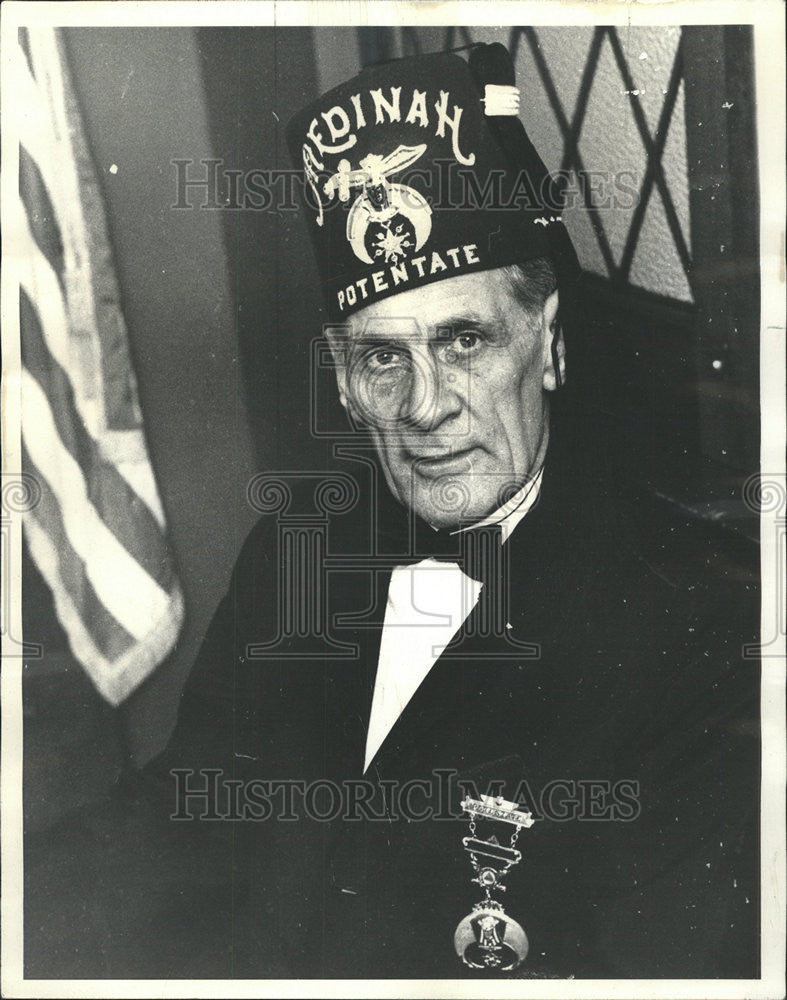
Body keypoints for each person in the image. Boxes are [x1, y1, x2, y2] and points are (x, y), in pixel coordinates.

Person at [24, 43, 760, 981]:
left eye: (464, 341)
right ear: (342, 381)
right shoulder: (298, 555)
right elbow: (184, 816)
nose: (425, 404)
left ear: (548, 345)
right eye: (383, 358)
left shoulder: (702, 630)